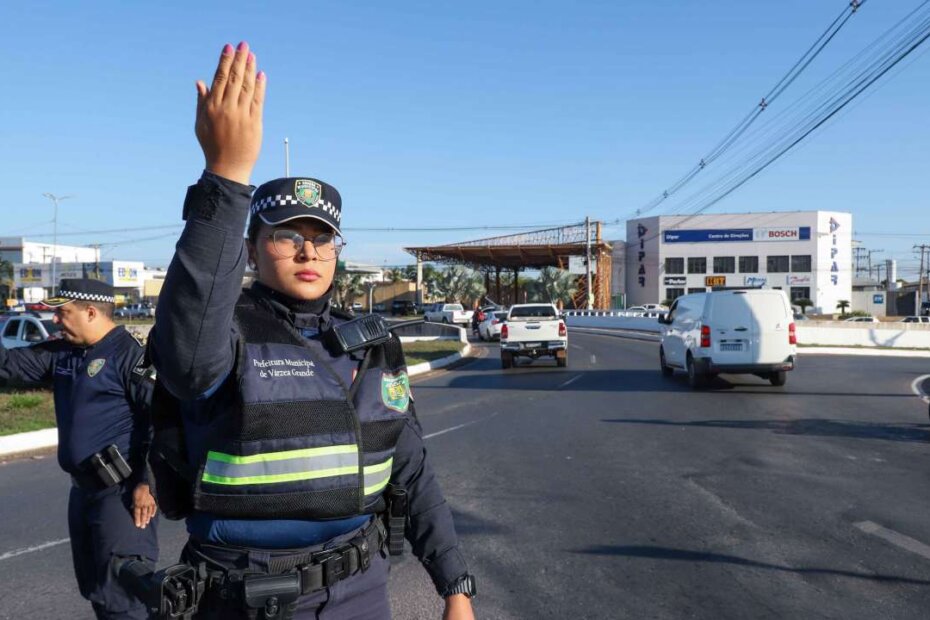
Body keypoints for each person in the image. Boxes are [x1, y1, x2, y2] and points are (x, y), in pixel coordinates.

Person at [148, 41, 475, 619]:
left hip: (359, 591)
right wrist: (226, 176)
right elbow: (188, 348)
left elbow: (412, 470)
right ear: (250, 249)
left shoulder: (373, 343)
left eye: (321, 236)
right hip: (244, 597)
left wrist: (455, 586)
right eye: (284, 234)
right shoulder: (224, 338)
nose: (307, 249)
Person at [0, 278, 158, 620]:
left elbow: (163, 424)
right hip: (83, 492)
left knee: (123, 597)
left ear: (90, 312)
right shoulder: (64, 354)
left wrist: (148, 482)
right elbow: (7, 364)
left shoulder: (131, 356)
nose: (55, 321)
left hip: (123, 495)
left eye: (62, 313)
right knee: (97, 590)